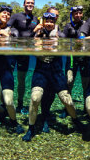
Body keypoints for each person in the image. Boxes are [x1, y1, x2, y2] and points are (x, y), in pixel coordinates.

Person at [22, 12, 82, 141]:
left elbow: (71, 49)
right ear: (43, 22)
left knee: (67, 100)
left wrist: (70, 69)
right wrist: (34, 32)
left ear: (55, 22)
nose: (49, 24)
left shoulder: (60, 35)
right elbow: (25, 44)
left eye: (52, 21)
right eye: (47, 21)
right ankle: (31, 128)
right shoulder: (37, 35)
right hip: (41, 71)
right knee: (35, 97)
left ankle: (76, 121)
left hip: (56, 72)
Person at [0, 6, 24, 134]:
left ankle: (14, 121)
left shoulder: (14, 31)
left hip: (6, 69)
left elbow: (14, 39)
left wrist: (3, 33)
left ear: (10, 17)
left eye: (8, 14)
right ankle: (3, 112)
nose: (6, 15)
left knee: (8, 101)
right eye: (3, 13)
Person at [8, 0, 39, 113]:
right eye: (28, 3)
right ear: (23, 4)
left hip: (25, 53)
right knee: (8, 77)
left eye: (32, 3)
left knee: (21, 79)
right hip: (13, 51)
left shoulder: (36, 19)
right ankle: (5, 103)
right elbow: (7, 27)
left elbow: (36, 34)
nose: (30, 4)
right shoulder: (16, 16)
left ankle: (20, 104)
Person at [61, 6, 90, 118]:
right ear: (72, 15)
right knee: (69, 83)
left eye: (80, 13)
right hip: (72, 59)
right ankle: (67, 108)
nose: (78, 15)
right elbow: (63, 39)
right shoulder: (68, 26)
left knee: (86, 85)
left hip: (85, 59)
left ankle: (86, 108)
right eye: (75, 13)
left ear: (82, 14)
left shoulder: (87, 25)